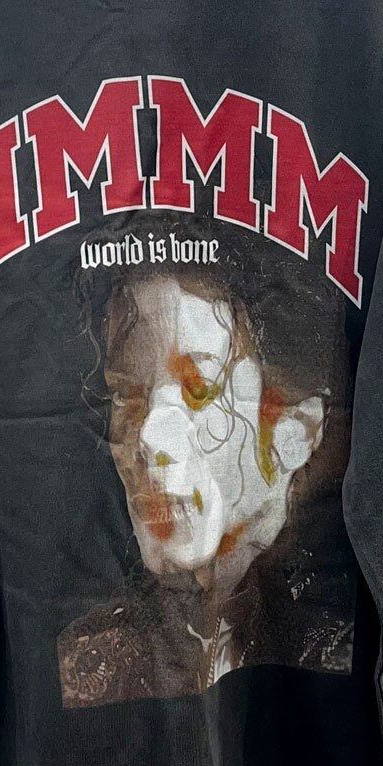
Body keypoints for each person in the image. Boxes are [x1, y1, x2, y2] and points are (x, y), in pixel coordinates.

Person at [57, 215, 357, 709]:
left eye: (199, 387)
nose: (149, 436)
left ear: (295, 429)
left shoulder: (341, 640)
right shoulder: (90, 662)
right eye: (127, 395)